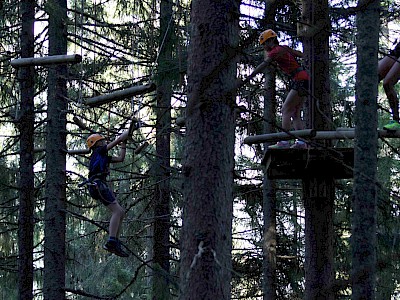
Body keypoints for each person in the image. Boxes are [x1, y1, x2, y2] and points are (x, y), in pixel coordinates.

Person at [239, 29, 310, 149]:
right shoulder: (284, 48)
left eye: (265, 43)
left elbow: (264, 65)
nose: (264, 46)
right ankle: (302, 143)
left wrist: (249, 77)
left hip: (299, 79)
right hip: (303, 78)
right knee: (295, 113)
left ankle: (284, 141)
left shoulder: (275, 51)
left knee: (285, 110)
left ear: (271, 40)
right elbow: (298, 53)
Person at [86, 130, 130, 257]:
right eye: (102, 141)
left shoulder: (103, 156)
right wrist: (121, 138)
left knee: (120, 212)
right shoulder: (98, 151)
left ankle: (114, 241)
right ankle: (111, 241)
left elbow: (121, 158)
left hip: (98, 185)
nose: (104, 142)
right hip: (98, 184)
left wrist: (124, 142)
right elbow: (112, 144)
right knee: (117, 211)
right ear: (96, 144)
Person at [379, 40, 400, 131]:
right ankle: (366, 115)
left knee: (387, 83)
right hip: (398, 50)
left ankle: (396, 121)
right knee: (371, 76)